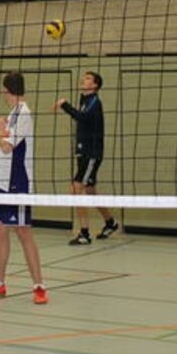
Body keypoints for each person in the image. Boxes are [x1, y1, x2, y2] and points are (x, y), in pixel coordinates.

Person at [0, 72, 47, 304]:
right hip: (1, 181)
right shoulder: (12, 114)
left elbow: (6, 147)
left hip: (17, 182)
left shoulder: (23, 114)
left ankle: (39, 286)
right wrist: (3, 126)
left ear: (7, 90)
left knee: (23, 232)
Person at [54, 72, 117, 245]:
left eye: (88, 78)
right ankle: (110, 222)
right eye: (84, 78)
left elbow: (82, 117)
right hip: (84, 152)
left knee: (76, 188)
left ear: (95, 85)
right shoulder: (85, 101)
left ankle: (84, 233)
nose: (84, 80)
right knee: (89, 191)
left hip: (92, 154)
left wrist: (64, 105)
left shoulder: (95, 102)